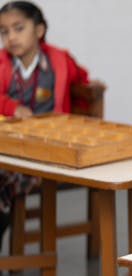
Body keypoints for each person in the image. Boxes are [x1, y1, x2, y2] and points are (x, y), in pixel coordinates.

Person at [0, 1, 89, 249]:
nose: (11, 37)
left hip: (47, 148)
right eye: (4, 32)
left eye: (18, 28)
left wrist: (78, 120)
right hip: (11, 147)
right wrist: (10, 106)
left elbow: (83, 81)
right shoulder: (3, 64)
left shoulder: (60, 60)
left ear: (38, 31)